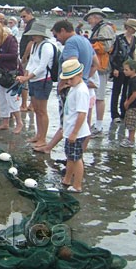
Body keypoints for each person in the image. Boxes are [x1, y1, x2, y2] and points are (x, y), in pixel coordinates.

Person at [34, 20, 96, 153]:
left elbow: (71, 62)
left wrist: (64, 84)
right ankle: (78, 154)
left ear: (63, 30)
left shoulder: (71, 42)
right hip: (83, 85)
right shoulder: (85, 41)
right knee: (83, 123)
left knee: (67, 120)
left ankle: (65, 153)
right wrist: (85, 78)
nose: (57, 40)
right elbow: (96, 64)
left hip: (71, 88)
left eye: (56, 36)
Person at [16, 23, 54, 147]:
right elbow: (31, 63)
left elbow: (42, 67)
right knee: (36, 110)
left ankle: (43, 138)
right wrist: (25, 75)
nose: (32, 37)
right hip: (33, 80)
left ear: (40, 35)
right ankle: (38, 135)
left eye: (34, 35)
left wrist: (27, 77)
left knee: (42, 110)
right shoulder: (35, 45)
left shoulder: (47, 47)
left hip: (43, 81)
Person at [59, 59, 90, 193]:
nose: (68, 82)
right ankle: (67, 179)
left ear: (80, 74)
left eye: (71, 79)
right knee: (70, 156)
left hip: (77, 132)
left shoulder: (81, 91)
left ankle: (77, 185)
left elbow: (82, 114)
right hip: (70, 129)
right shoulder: (74, 87)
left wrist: (74, 132)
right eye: (67, 80)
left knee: (77, 159)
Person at [84, 8, 116, 137]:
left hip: (102, 67)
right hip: (98, 65)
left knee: (100, 97)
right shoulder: (100, 29)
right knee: (95, 96)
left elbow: (106, 47)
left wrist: (89, 46)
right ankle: (95, 124)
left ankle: (99, 125)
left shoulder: (105, 29)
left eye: (89, 18)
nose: (88, 21)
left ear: (96, 17)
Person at [0, 20, 22, 132]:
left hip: (10, 73)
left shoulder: (10, 39)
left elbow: (14, 55)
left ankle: (19, 123)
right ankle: (5, 122)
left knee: (12, 99)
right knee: (2, 99)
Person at [110, 19, 136, 122]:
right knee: (116, 91)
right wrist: (114, 68)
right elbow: (113, 54)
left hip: (130, 69)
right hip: (119, 68)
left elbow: (133, 53)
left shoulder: (134, 39)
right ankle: (114, 114)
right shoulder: (118, 38)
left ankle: (124, 112)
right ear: (128, 28)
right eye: (134, 28)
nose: (135, 31)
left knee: (126, 91)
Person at [119, 59, 136, 148]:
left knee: (131, 122)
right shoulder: (133, 79)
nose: (124, 71)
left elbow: (135, 94)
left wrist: (127, 102)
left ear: (133, 70)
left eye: (126, 70)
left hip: (135, 105)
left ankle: (131, 140)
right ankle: (130, 138)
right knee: (129, 121)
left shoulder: (133, 81)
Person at [19, 7, 36, 111]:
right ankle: (31, 104)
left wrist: (24, 56)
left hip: (28, 57)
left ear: (30, 14)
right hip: (31, 57)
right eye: (21, 17)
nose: (23, 19)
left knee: (24, 79)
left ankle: (24, 104)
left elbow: (31, 42)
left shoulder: (31, 25)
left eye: (24, 16)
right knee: (30, 80)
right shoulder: (31, 25)